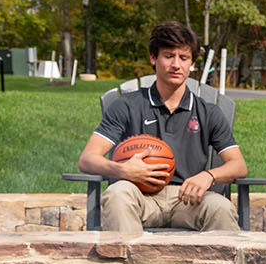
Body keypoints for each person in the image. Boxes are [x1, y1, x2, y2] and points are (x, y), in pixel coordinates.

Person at [78, 21, 246, 232]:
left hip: (188, 198)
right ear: (153, 58)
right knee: (117, 194)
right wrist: (122, 170)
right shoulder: (127, 105)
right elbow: (87, 159)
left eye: (183, 58)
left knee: (220, 207)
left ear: (192, 63)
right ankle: (124, 263)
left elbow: (239, 166)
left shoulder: (208, 112)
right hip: (139, 194)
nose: (176, 64)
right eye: (168, 56)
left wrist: (209, 176)